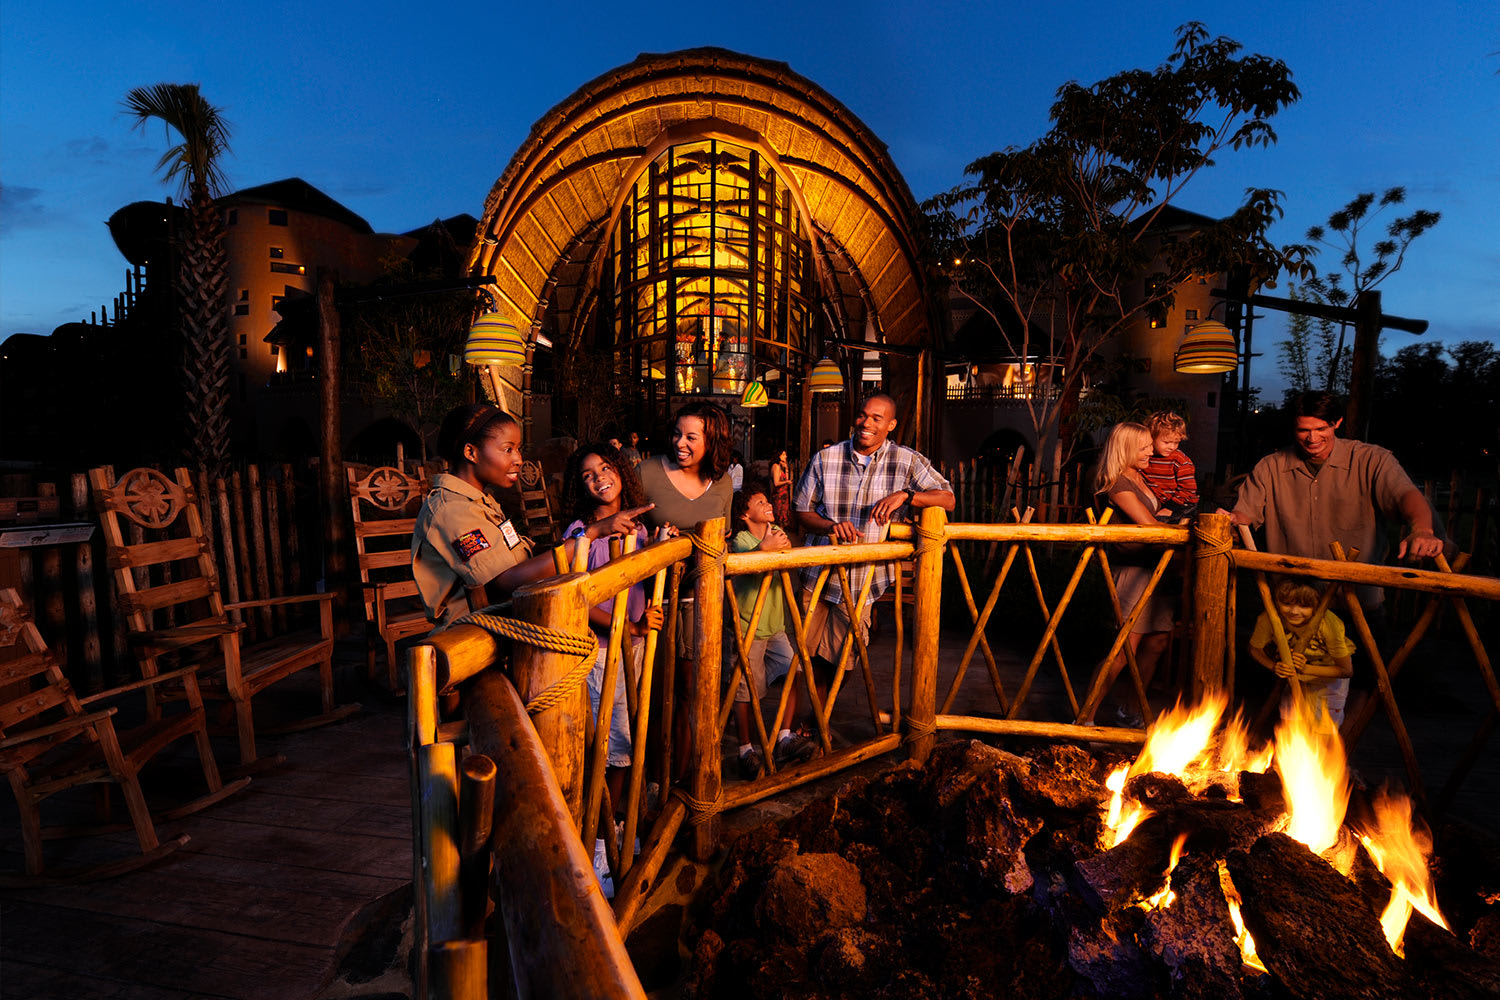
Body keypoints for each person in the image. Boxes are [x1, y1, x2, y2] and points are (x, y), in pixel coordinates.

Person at [1228, 392, 1445, 719]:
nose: (1311, 438)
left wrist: (1423, 530)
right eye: (1303, 430)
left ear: (1337, 423)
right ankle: (1294, 756)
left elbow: (1406, 495)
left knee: (1363, 679)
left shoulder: (1372, 460)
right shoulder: (1271, 466)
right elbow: (1243, 517)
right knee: (1291, 677)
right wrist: (1229, 523)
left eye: (1321, 429)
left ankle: (1342, 752)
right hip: (1295, 605)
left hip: (1356, 600)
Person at [794, 394, 953, 704]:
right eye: (863, 415)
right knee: (804, 654)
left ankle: (820, 716)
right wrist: (830, 526)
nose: (866, 423)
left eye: (876, 419)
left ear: (891, 425)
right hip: (818, 573)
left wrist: (907, 496)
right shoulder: (825, 458)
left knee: (846, 656)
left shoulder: (906, 460)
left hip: (863, 581)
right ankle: (811, 722)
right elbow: (800, 511)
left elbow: (948, 498)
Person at [559, 441, 663, 896]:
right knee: (605, 739)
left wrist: (658, 551)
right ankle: (598, 842)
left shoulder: (642, 526)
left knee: (624, 735)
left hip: (631, 644)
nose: (599, 477)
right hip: (599, 647)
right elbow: (576, 595)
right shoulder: (581, 531)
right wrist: (632, 625)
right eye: (587, 474)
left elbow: (639, 581)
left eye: (605, 467)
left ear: (621, 471)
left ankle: (613, 824)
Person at [637, 401, 735, 784]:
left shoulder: (723, 482)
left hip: (700, 600)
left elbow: (722, 534)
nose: (680, 442)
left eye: (691, 437)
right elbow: (624, 529)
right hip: (652, 599)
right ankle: (648, 779)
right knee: (653, 688)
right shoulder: (646, 472)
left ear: (713, 441)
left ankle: (680, 780)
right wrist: (653, 541)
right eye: (677, 433)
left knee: (691, 691)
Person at [411, 403, 556, 628]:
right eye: (508, 449)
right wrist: (583, 541)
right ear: (471, 452)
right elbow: (505, 581)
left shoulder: (481, 503)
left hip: (508, 627)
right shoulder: (451, 510)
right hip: (471, 641)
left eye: (518, 449)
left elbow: (519, 554)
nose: (518, 459)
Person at [1085, 421, 1176, 726]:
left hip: (1157, 568)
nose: (1152, 451)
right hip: (1134, 570)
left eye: (1151, 445)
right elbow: (1148, 527)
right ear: (1125, 450)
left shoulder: (1140, 476)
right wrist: (1177, 528)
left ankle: (1131, 709)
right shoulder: (1117, 484)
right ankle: (1086, 716)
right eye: (1144, 447)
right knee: (1125, 648)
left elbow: (1155, 515)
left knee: (1158, 642)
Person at [728, 483, 817, 779]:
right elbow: (746, 562)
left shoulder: (776, 531)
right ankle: (745, 749)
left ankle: (784, 737)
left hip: (775, 623)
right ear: (744, 513)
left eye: (768, 501)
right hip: (748, 624)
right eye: (760, 501)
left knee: (794, 671)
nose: (768, 505)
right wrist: (762, 549)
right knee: (746, 689)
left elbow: (785, 551)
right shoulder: (741, 539)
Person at [1248, 579, 1355, 724]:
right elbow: (1255, 648)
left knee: (1323, 727)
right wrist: (1273, 666)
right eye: (1287, 604)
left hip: (1328, 678)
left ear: (1316, 606)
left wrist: (1306, 668)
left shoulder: (1329, 624)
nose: (1294, 611)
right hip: (1295, 677)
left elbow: (1345, 670)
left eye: (1304, 606)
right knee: (1291, 724)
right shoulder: (1269, 618)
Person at [1140, 411, 1198, 519]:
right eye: (1167, 442)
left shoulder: (1179, 460)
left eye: (1176, 442)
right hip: (1162, 502)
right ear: (1151, 437)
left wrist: (1170, 508)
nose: (1172, 447)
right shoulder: (1145, 457)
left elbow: (1188, 489)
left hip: (1182, 505)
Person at [770, 448, 794, 527]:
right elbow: (776, 483)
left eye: (785, 454)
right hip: (778, 495)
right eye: (783, 454)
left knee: (783, 517)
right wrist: (786, 482)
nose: (785, 456)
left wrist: (786, 468)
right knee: (779, 516)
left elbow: (786, 478)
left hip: (783, 495)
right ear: (779, 456)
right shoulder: (776, 466)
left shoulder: (780, 467)